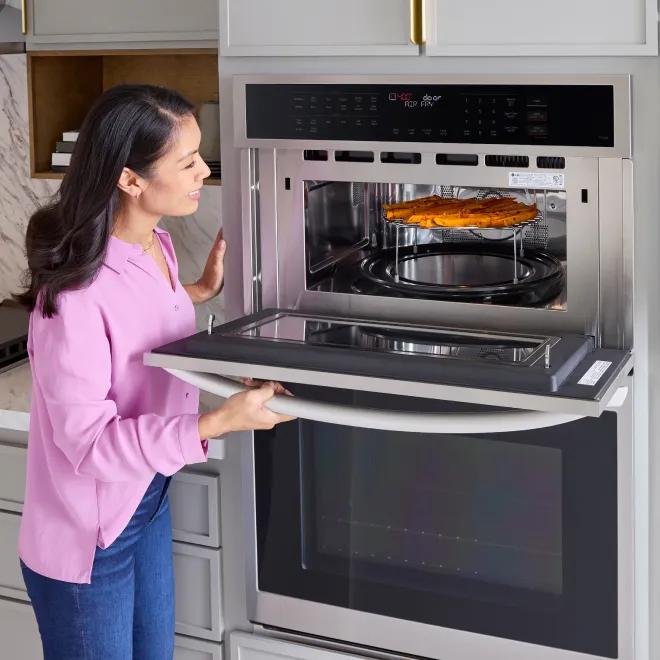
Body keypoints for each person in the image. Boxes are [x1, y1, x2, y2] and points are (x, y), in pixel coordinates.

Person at [13, 84, 295, 660]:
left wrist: (197, 293)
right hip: (89, 536)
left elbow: (143, 336)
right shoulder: (72, 296)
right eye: (187, 161)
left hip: (147, 495)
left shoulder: (151, 244)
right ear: (130, 179)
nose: (203, 170)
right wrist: (214, 423)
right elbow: (89, 445)